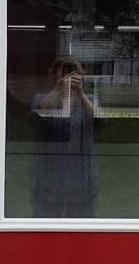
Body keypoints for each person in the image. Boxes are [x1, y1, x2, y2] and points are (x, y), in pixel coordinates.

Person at [30, 56, 99, 217]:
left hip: (81, 174)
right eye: (64, 72)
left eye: (73, 72)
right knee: (46, 225)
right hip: (50, 174)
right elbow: (36, 119)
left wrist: (80, 94)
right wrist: (58, 91)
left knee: (81, 226)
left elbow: (97, 121)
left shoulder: (89, 100)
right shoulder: (41, 98)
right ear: (55, 75)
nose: (69, 76)